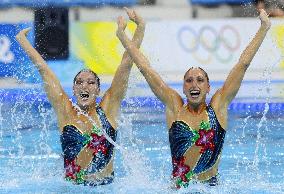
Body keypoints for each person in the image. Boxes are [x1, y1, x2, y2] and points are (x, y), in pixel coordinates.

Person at [116, 9, 271, 188]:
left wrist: (264, 28)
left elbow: (242, 64)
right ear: (183, 87)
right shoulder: (175, 107)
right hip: (178, 189)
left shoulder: (218, 106)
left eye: (200, 80)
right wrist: (123, 35)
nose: (194, 84)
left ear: (208, 87)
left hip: (211, 188)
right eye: (189, 81)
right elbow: (145, 68)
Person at [16, 8, 145, 186]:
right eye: (79, 82)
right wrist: (23, 42)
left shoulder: (109, 107)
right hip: (72, 188)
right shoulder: (65, 110)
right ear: (74, 90)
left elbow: (127, 62)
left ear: (98, 90)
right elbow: (44, 70)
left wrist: (140, 27)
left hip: (106, 187)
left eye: (91, 83)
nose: (84, 86)